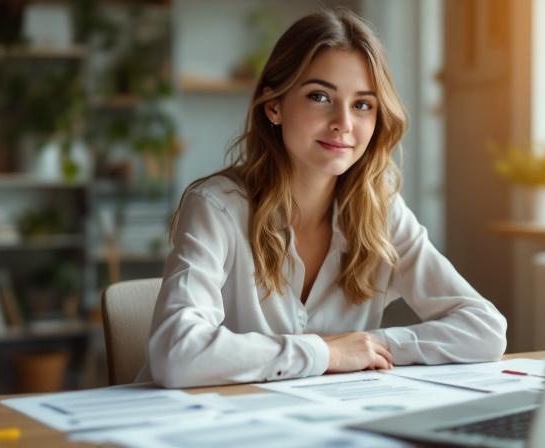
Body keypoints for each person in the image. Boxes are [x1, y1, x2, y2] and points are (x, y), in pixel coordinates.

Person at [138, 8, 507, 388]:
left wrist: (371, 346)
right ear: (274, 106)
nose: (343, 123)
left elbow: (484, 328)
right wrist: (325, 353)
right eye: (320, 96)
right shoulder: (216, 206)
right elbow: (176, 354)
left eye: (363, 104)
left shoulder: (380, 211)